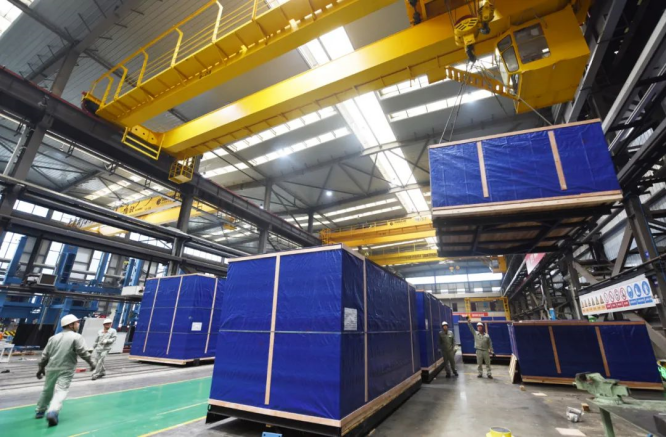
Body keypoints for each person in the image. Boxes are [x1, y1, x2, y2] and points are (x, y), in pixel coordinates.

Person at [35, 314, 95, 427]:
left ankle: (40, 411)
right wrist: (91, 363)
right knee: (61, 390)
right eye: (77, 323)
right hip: (66, 368)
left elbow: (45, 355)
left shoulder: (53, 338)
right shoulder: (77, 337)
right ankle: (53, 411)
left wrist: (41, 368)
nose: (78, 324)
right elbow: (83, 352)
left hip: (51, 367)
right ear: (71, 325)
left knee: (47, 389)